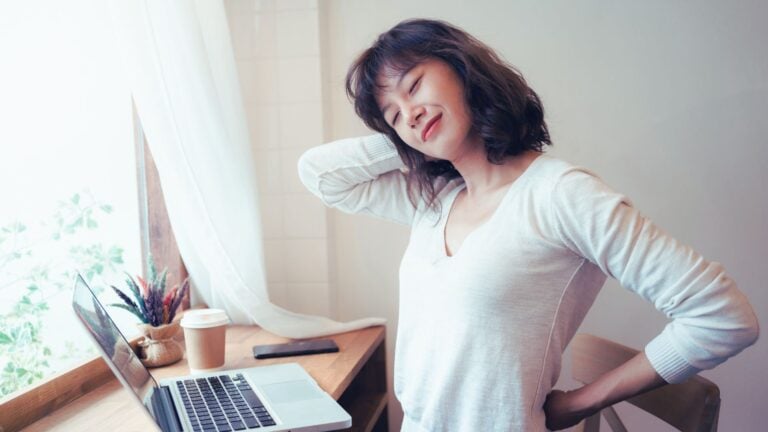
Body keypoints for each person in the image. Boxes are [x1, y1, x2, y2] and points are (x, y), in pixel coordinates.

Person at [297, 18, 759, 431]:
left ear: (463, 69)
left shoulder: (560, 195)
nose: (411, 114)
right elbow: (321, 175)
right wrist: (408, 138)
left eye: (415, 85)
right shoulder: (434, 199)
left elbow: (724, 318)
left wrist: (581, 402)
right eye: (393, 115)